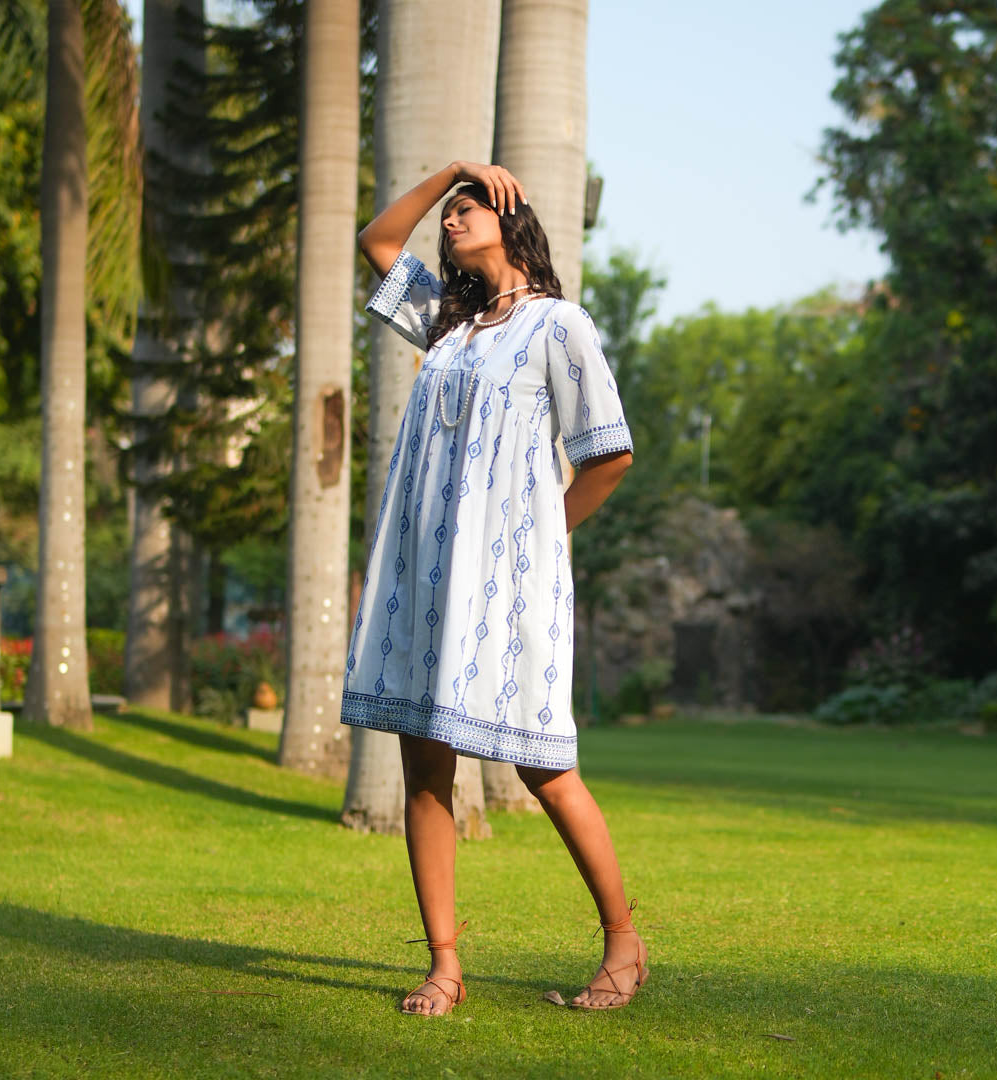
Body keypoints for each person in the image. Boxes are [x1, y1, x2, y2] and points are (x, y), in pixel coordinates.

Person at [347, 160, 647, 1015]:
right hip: (425, 573)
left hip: (511, 578)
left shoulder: (559, 326)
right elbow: (376, 240)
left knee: (542, 763)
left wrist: (540, 538)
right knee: (424, 768)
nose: (452, 216)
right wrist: (450, 169)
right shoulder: (448, 326)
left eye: (469, 206)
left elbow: (610, 454)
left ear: (512, 219)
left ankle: (625, 940)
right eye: (450, 209)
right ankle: (444, 964)